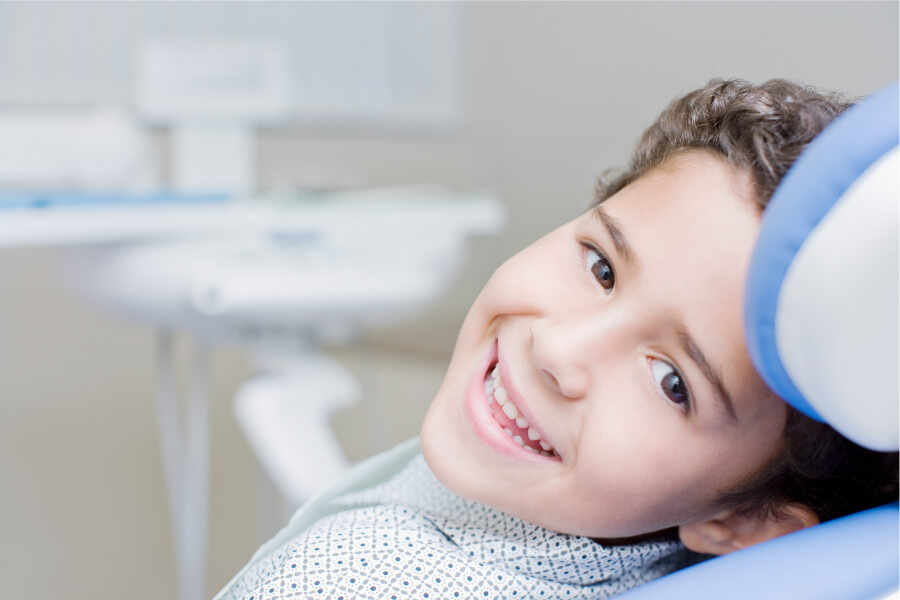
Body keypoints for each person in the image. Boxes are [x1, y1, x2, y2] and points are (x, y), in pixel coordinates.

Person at [216, 79, 899, 600]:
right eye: (602, 268)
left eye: (672, 383)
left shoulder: (355, 579)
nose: (560, 352)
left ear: (747, 523)